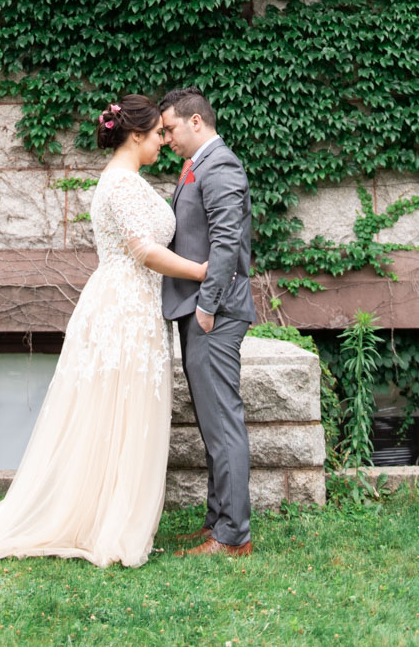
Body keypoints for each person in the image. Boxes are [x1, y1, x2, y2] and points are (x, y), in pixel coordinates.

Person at [0, 94, 207, 569]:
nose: (162, 142)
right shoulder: (122, 185)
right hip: (124, 306)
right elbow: (142, 250)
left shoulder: (124, 181)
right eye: (156, 135)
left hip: (135, 304)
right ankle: (105, 521)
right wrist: (201, 271)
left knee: (122, 410)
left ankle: (107, 513)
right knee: (116, 409)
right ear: (135, 135)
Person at [160, 88, 256, 558]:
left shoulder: (220, 166)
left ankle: (233, 536)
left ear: (196, 122)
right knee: (212, 423)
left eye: (171, 128)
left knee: (223, 423)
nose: (167, 137)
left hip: (213, 312)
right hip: (200, 309)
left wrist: (207, 306)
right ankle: (218, 523)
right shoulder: (200, 164)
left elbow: (225, 242)